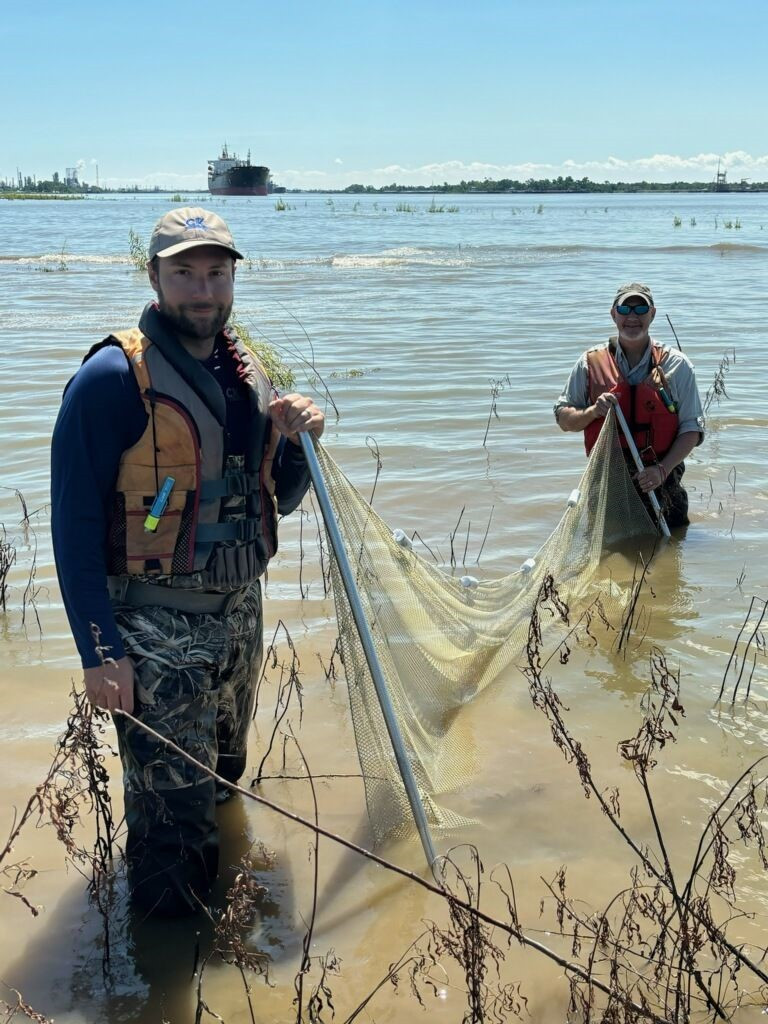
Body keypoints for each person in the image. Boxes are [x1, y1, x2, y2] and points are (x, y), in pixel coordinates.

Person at [51, 207, 325, 916]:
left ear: (233, 278)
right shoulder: (112, 377)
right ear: (154, 276)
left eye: (215, 273)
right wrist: (100, 652)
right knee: (171, 826)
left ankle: (226, 934)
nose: (202, 291)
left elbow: (279, 497)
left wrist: (299, 440)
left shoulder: (245, 371)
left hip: (239, 619)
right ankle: (167, 976)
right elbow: (73, 526)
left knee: (225, 781)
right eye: (184, 274)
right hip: (153, 631)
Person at [554, 283, 704, 528]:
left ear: (652, 314)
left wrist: (662, 471)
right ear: (614, 314)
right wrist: (592, 412)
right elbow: (563, 419)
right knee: (613, 556)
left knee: (671, 551)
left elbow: (692, 430)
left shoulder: (678, 365)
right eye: (625, 309)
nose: (632, 317)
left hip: (663, 478)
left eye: (640, 308)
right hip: (607, 483)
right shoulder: (589, 363)